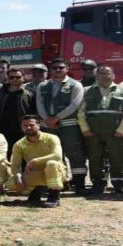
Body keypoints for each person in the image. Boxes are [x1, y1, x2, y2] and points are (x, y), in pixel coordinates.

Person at [78, 64, 123, 195]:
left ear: (113, 75)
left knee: (118, 158)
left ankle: (120, 184)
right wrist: (85, 129)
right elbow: (81, 112)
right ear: (96, 75)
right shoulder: (86, 91)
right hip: (93, 132)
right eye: (101, 73)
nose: (104, 76)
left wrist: (122, 129)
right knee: (95, 158)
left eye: (107, 73)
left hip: (116, 132)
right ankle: (98, 184)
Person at [37, 59, 87, 193]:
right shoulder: (42, 86)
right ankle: (61, 182)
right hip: (48, 125)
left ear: (67, 68)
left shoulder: (75, 85)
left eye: (60, 67)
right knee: (53, 154)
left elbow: (75, 104)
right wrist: (47, 119)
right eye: (54, 68)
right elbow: (40, 104)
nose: (57, 70)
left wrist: (57, 118)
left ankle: (79, 184)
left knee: (75, 154)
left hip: (69, 124)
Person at [6, 115, 66, 208]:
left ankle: (54, 196)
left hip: (55, 172)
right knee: (11, 183)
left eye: (31, 125)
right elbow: (15, 165)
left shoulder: (52, 138)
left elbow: (57, 156)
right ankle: (37, 191)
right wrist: (18, 177)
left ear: (38, 125)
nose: (28, 127)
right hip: (35, 173)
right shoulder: (19, 144)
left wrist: (35, 161)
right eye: (25, 126)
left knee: (52, 164)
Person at [0, 67, 34, 152]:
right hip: (2, 129)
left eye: (18, 77)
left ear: (23, 77)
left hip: (22, 130)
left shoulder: (30, 94)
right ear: (8, 78)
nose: (15, 79)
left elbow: (33, 112)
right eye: (11, 77)